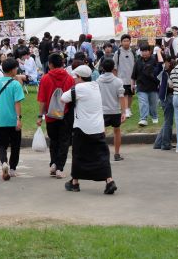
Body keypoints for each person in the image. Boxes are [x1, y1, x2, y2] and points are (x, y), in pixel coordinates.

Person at [60, 65, 117, 195]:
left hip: (82, 127)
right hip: (98, 127)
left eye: (75, 77)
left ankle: (75, 182)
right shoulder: (96, 85)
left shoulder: (79, 88)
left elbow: (63, 98)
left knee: (79, 154)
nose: (74, 80)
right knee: (101, 155)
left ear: (80, 77)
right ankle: (109, 181)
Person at [37, 53, 75, 178]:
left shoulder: (45, 79)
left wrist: (40, 116)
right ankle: (59, 168)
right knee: (64, 141)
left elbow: (42, 100)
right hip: (65, 114)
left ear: (50, 64)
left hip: (50, 115)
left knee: (53, 140)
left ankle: (53, 163)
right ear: (62, 63)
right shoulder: (70, 78)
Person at [0, 58, 25, 180]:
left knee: (1, 145)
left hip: (0, 120)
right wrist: (19, 119)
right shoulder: (16, 84)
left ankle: (4, 162)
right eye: (16, 68)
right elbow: (17, 103)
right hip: (13, 120)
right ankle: (12, 169)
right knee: (15, 146)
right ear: (12, 70)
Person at [97, 59, 126, 161]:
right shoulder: (118, 81)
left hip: (102, 111)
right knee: (117, 131)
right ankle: (116, 154)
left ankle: (101, 155)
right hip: (115, 111)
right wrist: (124, 112)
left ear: (102, 68)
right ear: (113, 68)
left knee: (102, 133)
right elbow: (121, 97)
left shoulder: (98, 81)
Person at [131, 44, 163, 126]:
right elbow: (134, 74)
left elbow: (161, 64)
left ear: (150, 51)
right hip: (141, 86)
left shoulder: (154, 60)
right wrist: (132, 84)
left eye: (146, 51)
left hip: (153, 86)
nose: (144, 53)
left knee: (153, 105)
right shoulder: (138, 61)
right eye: (142, 51)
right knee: (143, 103)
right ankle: (143, 119)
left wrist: (159, 52)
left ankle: (154, 116)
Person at [154, 54, 174, 150]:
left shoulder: (165, 72)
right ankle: (165, 144)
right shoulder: (161, 71)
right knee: (168, 122)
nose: (169, 63)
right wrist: (159, 51)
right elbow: (160, 62)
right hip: (166, 98)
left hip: (165, 98)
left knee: (167, 121)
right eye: (168, 62)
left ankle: (158, 143)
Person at [114, 34, 135, 119]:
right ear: (121, 42)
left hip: (131, 78)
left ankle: (128, 108)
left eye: (127, 41)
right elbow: (115, 66)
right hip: (121, 78)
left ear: (130, 42)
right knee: (125, 94)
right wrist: (115, 77)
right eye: (124, 41)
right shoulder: (118, 53)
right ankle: (125, 110)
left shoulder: (133, 52)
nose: (126, 43)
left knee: (131, 94)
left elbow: (135, 64)